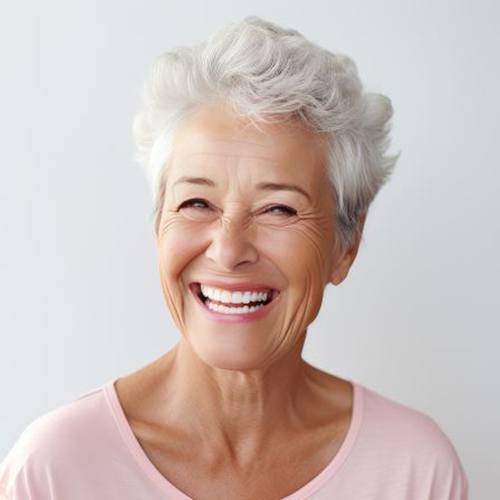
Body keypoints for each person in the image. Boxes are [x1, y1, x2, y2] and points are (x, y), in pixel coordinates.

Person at [0, 16, 468, 500]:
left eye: (278, 209)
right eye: (197, 203)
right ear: (160, 222)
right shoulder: (55, 470)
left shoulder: (414, 470)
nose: (228, 250)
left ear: (346, 244)